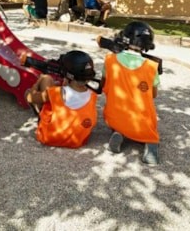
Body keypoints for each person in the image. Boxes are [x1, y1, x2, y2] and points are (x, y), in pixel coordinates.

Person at [97, 21, 161, 165]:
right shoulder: (151, 67)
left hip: (115, 117)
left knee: (118, 119)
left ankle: (119, 132)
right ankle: (150, 144)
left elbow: (104, 84)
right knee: (150, 132)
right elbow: (153, 94)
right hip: (142, 124)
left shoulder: (110, 59)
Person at [24, 50, 100, 149]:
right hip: (77, 141)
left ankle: (38, 110)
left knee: (43, 81)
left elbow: (30, 98)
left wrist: (38, 82)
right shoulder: (93, 96)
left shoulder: (55, 93)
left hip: (49, 137)